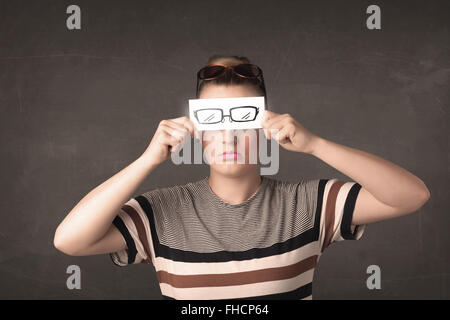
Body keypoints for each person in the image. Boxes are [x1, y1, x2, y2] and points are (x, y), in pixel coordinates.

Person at [53, 55, 430, 300]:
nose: (229, 136)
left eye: (242, 121)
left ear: (266, 128)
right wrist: (147, 160)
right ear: (197, 130)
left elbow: (411, 196)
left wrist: (315, 144)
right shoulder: (161, 212)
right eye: (215, 121)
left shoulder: (310, 205)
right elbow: (69, 241)